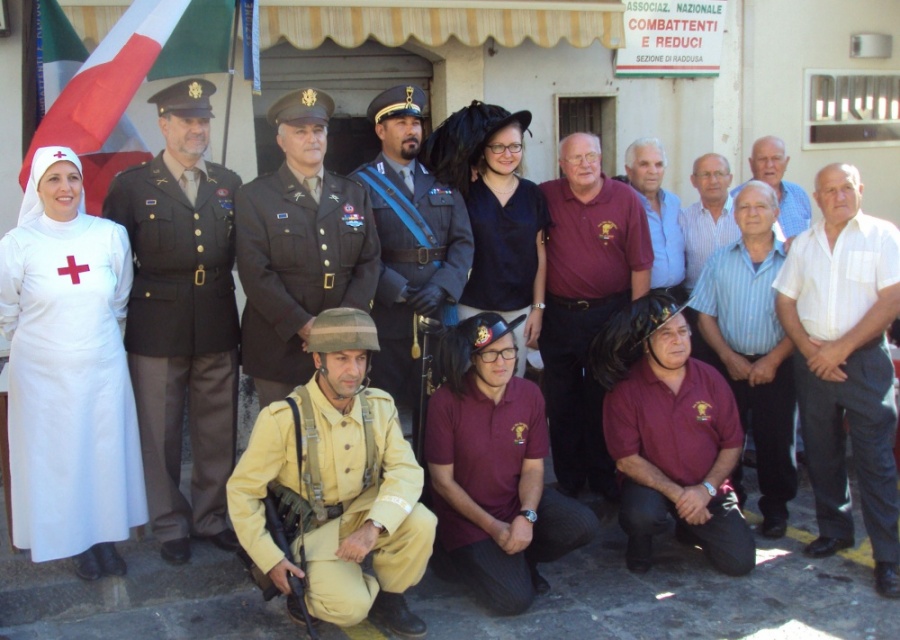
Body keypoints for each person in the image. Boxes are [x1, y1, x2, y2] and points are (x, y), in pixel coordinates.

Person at [227, 308, 436, 636]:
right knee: (350, 609)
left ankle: (389, 597)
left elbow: (406, 472)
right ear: (318, 361)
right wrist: (270, 559)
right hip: (312, 530)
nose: (353, 370)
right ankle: (314, 590)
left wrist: (373, 527)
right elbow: (242, 491)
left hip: (363, 514)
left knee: (422, 523)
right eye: (341, 358)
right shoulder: (282, 419)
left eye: (361, 358)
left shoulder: (379, 407)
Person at [104, 78, 242, 565]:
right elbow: (113, 261)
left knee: (216, 427)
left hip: (217, 316)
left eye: (202, 120)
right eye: (186, 120)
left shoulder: (228, 183)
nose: (197, 129)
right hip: (156, 322)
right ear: (163, 124)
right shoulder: (132, 185)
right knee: (158, 431)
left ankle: (211, 516)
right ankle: (168, 523)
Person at [1, 146, 147, 579]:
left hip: (101, 366)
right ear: (38, 188)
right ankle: (71, 541)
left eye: (73, 178)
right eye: (54, 179)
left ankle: (104, 537)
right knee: (59, 458)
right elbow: (7, 312)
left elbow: (120, 301)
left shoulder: (108, 235)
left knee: (103, 454)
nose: (65, 188)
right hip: (43, 372)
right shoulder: (18, 244)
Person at [774, 163, 900, 599]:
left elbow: (891, 300)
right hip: (814, 363)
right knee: (822, 452)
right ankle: (835, 530)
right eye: (829, 190)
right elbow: (785, 301)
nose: (838, 195)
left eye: (846, 187)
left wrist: (839, 349)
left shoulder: (884, 236)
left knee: (875, 461)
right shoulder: (804, 245)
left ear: (860, 190)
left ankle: (889, 557)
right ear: (817, 196)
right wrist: (812, 353)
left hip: (863, 363)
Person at [425, 312, 597, 614]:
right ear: (473, 359)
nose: (502, 362)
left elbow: (533, 468)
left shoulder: (529, 394)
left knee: (583, 524)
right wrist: (494, 527)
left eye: (508, 351)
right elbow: (442, 482)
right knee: (512, 601)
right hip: (469, 519)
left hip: (513, 503)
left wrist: (526, 516)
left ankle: (520, 555)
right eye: (490, 354)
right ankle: (462, 559)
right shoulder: (445, 401)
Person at [236, 88, 380, 409]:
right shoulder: (255, 196)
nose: (311, 138)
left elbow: (370, 262)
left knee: (339, 444)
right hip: (281, 346)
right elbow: (255, 273)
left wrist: (338, 328)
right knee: (285, 443)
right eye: (300, 131)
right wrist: (304, 326)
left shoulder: (353, 193)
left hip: (343, 348)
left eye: (318, 130)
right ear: (281, 140)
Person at [593, 293, 755, 576]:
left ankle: (691, 527)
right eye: (666, 334)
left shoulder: (711, 378)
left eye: (683, 331)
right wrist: (681, 495)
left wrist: (705, 491)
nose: (678, 340)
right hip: (653, 489)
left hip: (707, 487)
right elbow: (626, 460)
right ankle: (641, 539)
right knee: (641, 514)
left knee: (740, 562)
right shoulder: (625, 390)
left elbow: (732, 443)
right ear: (645, 344)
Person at [539, 132, 653, 500]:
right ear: (562, 165)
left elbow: (641, 265)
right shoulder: (545, 196)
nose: (585, 164)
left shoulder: (625, 199)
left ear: (602, 158)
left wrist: (636, 322)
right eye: (576, 158)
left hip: (612, 315)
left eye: (591, 156)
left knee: (605, 401)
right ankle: (570, 480)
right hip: (559, 315)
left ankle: (606, 481)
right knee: (561, 401)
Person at [351, 85, 473, 409]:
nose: (411, 130)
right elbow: (357, 252)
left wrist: (442, 287)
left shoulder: (442, 182)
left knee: (438, 410)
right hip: (388, 317)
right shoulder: (358, 185)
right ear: (381, 130)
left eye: (416, 123)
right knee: (383, 409)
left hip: (437, 313)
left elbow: (463, 243)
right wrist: (400, 290)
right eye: (401, 122)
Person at [690, 181, 797, 537]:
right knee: (727, 439)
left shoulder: (794, 260)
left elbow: (804, 319)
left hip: (777, 365)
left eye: (760, 207)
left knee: (775, 441)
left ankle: (776, 508)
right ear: (735, 215)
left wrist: (773, 360)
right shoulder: (721, 259)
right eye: (745, 208)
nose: (752, 213)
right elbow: (705, 314)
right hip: (730, 365)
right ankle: (731, 501)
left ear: (776, 213)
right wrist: (727, 356)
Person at [420, 102, 549, 377]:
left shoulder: (533, 194)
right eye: (498, 147)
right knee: (471, 386)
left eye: (515, 146)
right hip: (471, 308)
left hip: (520, 311)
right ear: (484, 151)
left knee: (511, 386)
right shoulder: (464, 194)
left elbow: (540, 253)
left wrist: (538, 308)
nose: (507, 154)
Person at [624, 138, 685, 301]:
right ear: (629, 170)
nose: (653, 171)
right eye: (644, 164)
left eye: (659, 164)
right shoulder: (622, 206)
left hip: (678, 297)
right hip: (641, 298)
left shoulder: (674, 202)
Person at [678, 153, 741, 294]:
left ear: (730, 179)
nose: (713, 180)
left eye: (719, 173)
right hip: (696, 302)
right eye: (705, 174)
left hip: (738, 302)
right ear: (693, 181)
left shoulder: (747, 215)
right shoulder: (683, 219)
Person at [731, 136, 811, 241]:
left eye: (776, 159)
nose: (769, 165)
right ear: (751, 164)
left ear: (786, 162)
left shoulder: (799, 195)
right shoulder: (734, 199)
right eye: (762, 159)